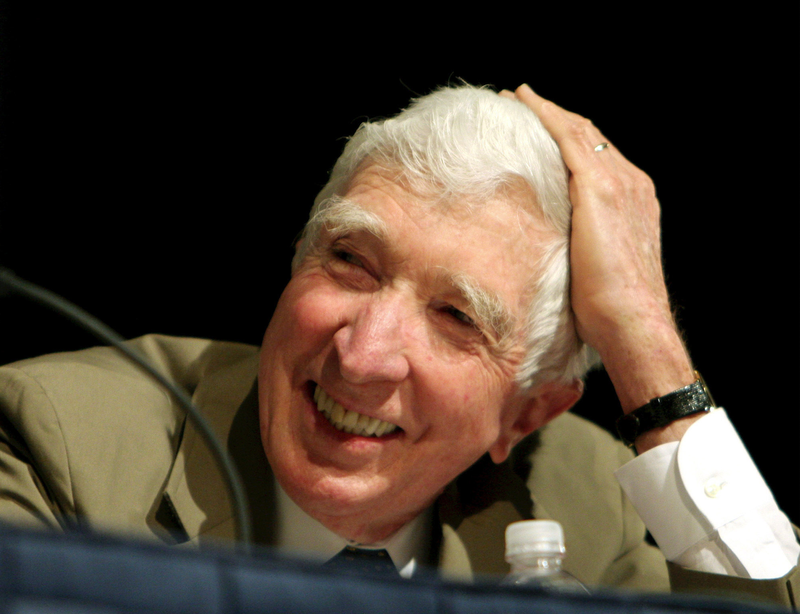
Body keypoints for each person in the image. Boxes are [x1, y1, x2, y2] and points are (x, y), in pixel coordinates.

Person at [0, 84, 797, 606]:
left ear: (525, 417)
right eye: (349, 261)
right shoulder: (56, 439)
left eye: (457, 317)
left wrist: (648, 346)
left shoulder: (589, 508)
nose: (362, 355)